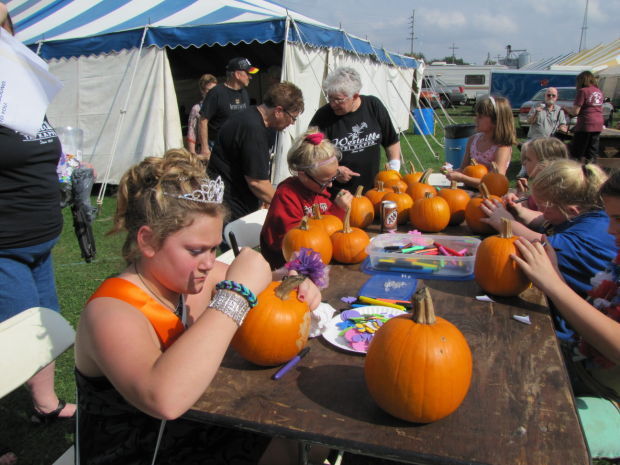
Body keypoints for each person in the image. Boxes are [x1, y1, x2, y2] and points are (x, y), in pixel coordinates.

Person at [74, 148, 322, 464]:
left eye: (213, 248)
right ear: (148, 241)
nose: (209, 263)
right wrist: (236, 295)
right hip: (143, 452)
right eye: (195, 250)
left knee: (307, 440)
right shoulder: (111, 313)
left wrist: (289, 280)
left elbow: (264, 284)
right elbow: (164, 398)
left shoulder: (188, 279)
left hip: (203, 429)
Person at [0, 7, 75, 465]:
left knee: (44, 330)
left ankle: (44, 405)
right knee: (11, 342)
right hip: (3, 244)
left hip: (40, 239)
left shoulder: (21, 86)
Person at [511, 170, 620, 460]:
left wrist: (553, 285)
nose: (610, 230)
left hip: (611, 398)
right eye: (610, 218)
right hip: (585, 365)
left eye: (618, 219)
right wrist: (556, 275)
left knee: (528, 433)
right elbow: (599, 316)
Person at [482, 159, 616, 297]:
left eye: (543, 208)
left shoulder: (586, 238)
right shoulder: (589, 212)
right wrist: (520, 212)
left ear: (571, 210)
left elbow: (543, 245)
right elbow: (542, 219)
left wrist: (506, 222)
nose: (540, 212)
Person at [208, 81, 304, 224]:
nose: (293, 123)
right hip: (230, 201)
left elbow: (258, 172)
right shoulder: (253, 129)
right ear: (278, 111)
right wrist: (291, 208)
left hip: (238, 196)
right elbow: (257, 183)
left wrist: (264, 197)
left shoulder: (255, 117)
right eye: (292, 117)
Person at [260, 128, 353, 269]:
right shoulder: (286, 196)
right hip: (288, 269)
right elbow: (297, 245)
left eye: (333, 177)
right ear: (302, 175)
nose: (331, 184)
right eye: (325, 180)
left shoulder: (317, 189)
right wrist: (337, 210)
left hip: (318, 263)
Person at [309, 67, 401, 195]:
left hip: (373, 192)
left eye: (338, 100)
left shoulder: (373, 106)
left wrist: (394, 170)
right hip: (337, 194)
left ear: (355, 96)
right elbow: (310, 156)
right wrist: (335, 171)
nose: (332, 104)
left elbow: (391, 141)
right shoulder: (323, 116)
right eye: (330, 98)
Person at [444, 95, 516, 189]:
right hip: (469, 192)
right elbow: (463, 169)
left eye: (481, 116)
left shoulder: (502, 147)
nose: (476, 119)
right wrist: (450, 172)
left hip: (491, 195)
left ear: (495, 120)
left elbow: (496, 182)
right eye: (476, 115)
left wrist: (462, 178)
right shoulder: (473, 140)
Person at [198, 57, 258, 161]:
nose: (250, 77)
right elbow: (203, 120)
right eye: (248, 73)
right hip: (219, 147)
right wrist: (205, 149)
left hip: (239, 147)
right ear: (237, 75)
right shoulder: (216, 93)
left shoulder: (244, 93)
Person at [505, 137, 569, 212]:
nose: (524, 163)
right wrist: (521, 194)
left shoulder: (548, 195)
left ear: (544, 163)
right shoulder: (541, 186)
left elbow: (538, 218)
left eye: (528, 159)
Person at [566, 70, 604, 162]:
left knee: (577, 152)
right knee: (592, 152)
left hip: (586, 124)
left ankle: (576, 172)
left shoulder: (583, 91)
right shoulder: (598, 91)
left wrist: (567, 110)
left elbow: (575, 112)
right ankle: (592, 172)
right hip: (598, 124)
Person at [186, 74, 217, 155]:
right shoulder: (197, 109)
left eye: (215, 90)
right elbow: (191, 133)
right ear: (202, 91)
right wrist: (192, 155)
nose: (213, 93)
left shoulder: (221, 106)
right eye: (209, 90)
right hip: (204, 151)